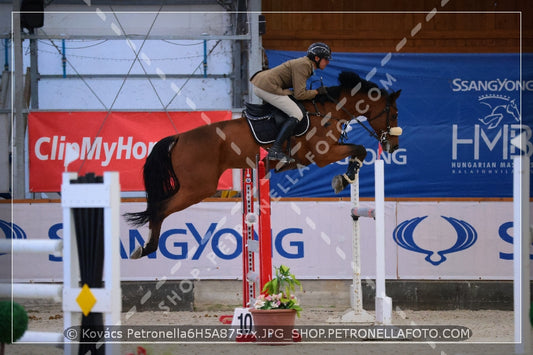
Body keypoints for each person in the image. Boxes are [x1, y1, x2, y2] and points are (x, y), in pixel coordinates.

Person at [250, 42, 332, 163]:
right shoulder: (304, 65)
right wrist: (316, 92)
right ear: (316, 58)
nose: (328, 62)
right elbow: (300, 95)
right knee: (297, 114)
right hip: (266, 87)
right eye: (326, 59)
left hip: (264, 84)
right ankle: (275, 149)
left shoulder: (306, 64)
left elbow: (298, 93)